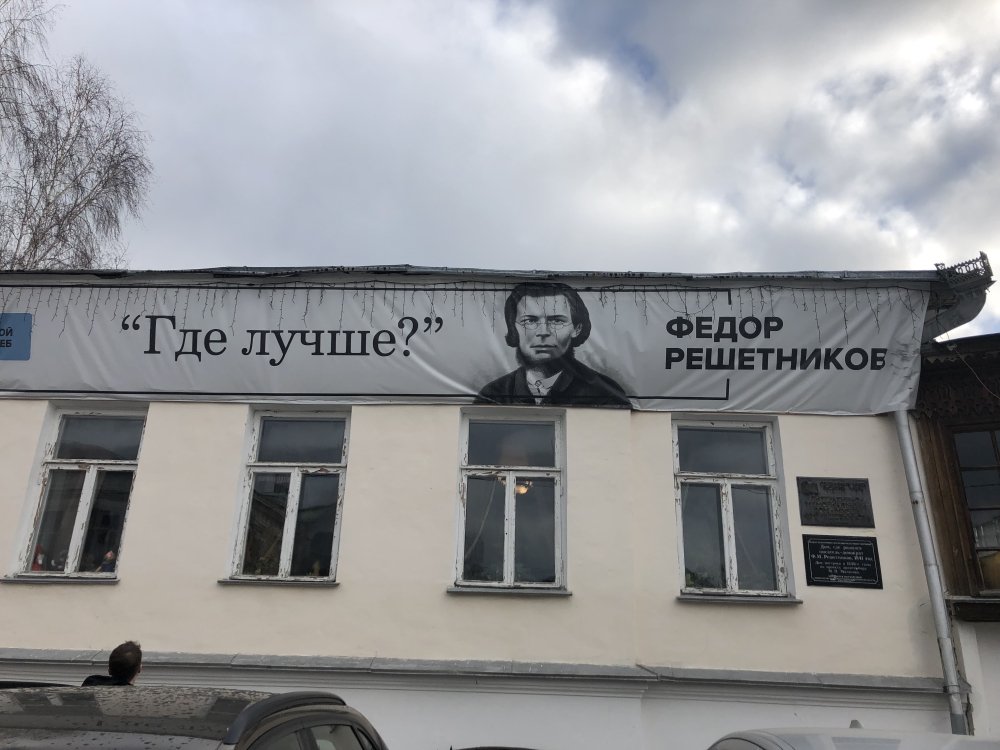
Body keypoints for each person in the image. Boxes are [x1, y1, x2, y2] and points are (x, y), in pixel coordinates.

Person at [475, 282, 630, 407]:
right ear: (514, 328)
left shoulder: (604, 394)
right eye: (529, 321)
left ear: (576, 328)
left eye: (556, 321)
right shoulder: (493, 394)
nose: (543, 332)